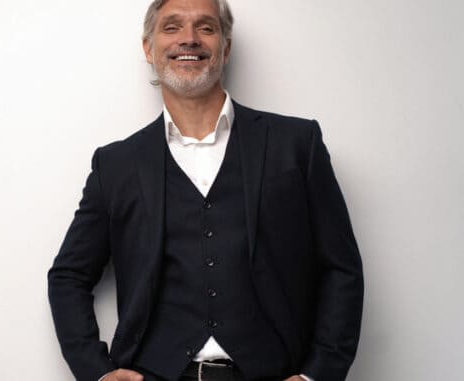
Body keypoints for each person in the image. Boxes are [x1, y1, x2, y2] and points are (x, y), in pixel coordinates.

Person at [47, 0, 364, 380]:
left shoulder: (296, 144)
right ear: (148, 48)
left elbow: (340, 269)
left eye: (206, 28)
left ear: (225, 47)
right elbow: (68, 276)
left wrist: (319, 374)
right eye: (172, 27)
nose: (189, 39)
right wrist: (96, 371)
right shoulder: (115, 165)